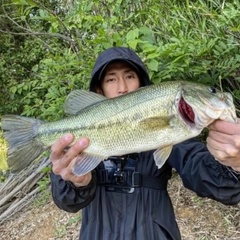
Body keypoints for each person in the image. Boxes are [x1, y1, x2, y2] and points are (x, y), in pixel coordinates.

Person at [50, 47, 240, 240]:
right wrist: (77, 182)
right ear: (99, 90)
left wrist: (235, 163)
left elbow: (212, 179)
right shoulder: (78, 145)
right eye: (111, 79)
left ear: (142, 83)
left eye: (130, 76)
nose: (122, 87)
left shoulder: (176, 133)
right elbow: (67, 201)